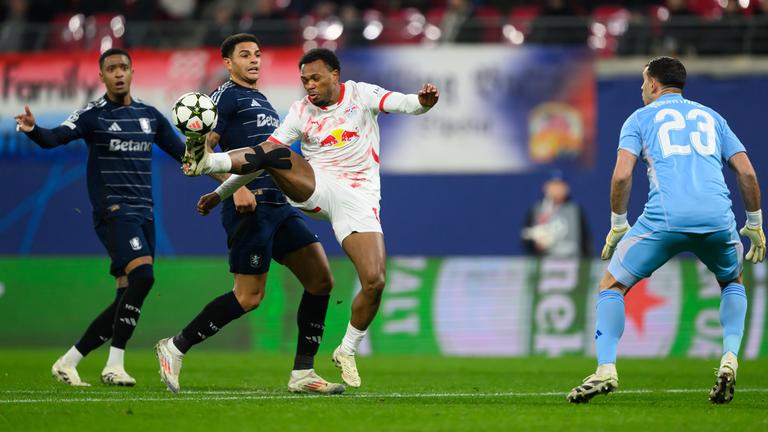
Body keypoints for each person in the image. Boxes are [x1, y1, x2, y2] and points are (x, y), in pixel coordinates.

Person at [183, 48, 439, 388]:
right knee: (275, 151)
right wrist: (221, 190)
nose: (309, 85)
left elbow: (407, 103)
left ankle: (346, 350)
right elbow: (263, 156)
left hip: (359, 199)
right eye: (304, 80)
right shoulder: (300, 111)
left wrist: (424, 102)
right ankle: (206, 162)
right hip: (316, 186)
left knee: (375, 280)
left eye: (315, 78)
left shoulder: (362, 94)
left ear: (335, 74)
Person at [566, 56, 765, 404]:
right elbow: (746, 172)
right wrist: (755, 223)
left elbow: (622, 175)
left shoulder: (639, 118)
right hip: (718, 219)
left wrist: (617, 225)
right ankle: (730, 358)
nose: (642, 89)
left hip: (665, 219)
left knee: (611, 284)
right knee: (732, 282)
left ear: (655, 84)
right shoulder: (713, 117)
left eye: (644, 82)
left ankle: (606, 368)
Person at [154, 34, 344, 395]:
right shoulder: (224, 97)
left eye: (258, 54)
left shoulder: (264, 101)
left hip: (279, 204)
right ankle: (175, 346)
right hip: (250, 206)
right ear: (228, 62)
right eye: (245, 55)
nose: (254, 60)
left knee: (321, 280)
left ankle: (303, 373)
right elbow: (201, 154)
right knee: (248, 297)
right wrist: (233, 186)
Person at [14, 48, 187, 386]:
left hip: (144, 214)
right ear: (102, 76)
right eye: (112, 69)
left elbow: (183, 155)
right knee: (144, 278)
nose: (119, 73)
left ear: (133, 72)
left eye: (124, 67)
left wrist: (212, 156)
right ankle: (114, 365)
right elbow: (55, 138)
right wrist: (35, 130)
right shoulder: (92, 115)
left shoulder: (149, 116)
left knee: (125, 295)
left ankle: (68, 361)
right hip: (114, 213)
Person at [522, 170, 591, 258]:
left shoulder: (576, 210)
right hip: (545, 263)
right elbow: (525, 238)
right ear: (546, 187)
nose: (557, 189)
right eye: (554, 185)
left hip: (572, 263)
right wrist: (534, 245)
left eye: (560, 185)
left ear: (567, 188)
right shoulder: (537, 210)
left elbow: (586, 241)